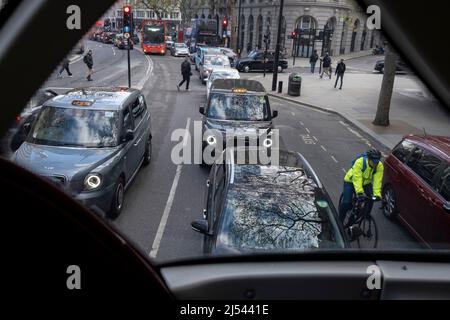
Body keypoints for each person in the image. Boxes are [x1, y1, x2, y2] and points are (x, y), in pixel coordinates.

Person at [338, 149, 384, 222]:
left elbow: (377, 181)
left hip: (366, 183)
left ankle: (365, 215)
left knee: (371, 198)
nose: (375, 164)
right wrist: (359, 193)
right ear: (369, 159)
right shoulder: (360, 162)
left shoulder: (379, 166)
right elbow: (357, 178)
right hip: (351, 181)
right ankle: (339, 221)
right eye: (374, 161)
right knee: (346, 202)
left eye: (377, 161)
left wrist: (377, 194)